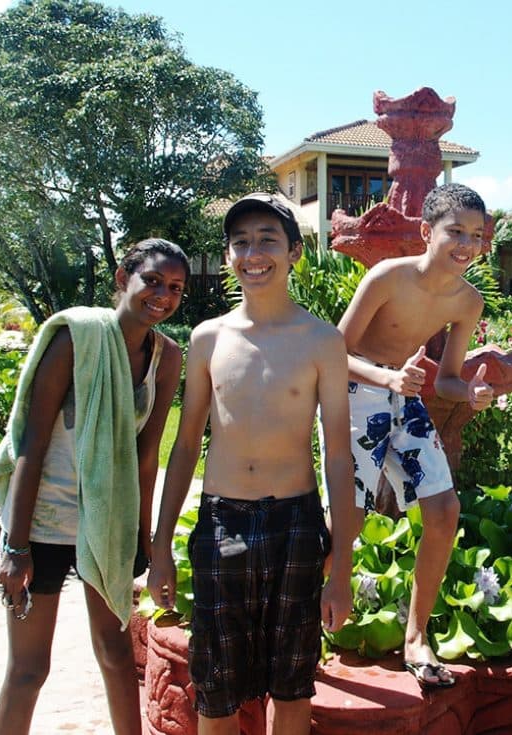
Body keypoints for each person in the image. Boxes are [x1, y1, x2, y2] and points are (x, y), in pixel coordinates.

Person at [147, 194, 359, 735]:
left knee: (292, 681)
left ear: (293, 253)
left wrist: (344, 564)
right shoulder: (208, 339)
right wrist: (161, 546)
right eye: (240, 242)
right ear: (227, 257)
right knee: (215, 685)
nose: (253, 252)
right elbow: (185, 445)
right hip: (222, 522)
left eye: (267, 239)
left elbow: (338, 451)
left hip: (297, 524)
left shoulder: (322, 341)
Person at [0, 238, 189, 734]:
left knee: (117, 656)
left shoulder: (167, 359)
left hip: (107, 525)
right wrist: (15, 546)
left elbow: (147, 458)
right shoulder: (76, 339)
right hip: (41, 524)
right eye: (153, 281)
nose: (162, 294)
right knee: (29, 669)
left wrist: (145, 541)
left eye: (175, 287)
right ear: (123, 279)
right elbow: (31, 444)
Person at [335, 182, 494, 688]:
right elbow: (333, 351)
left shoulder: (469, 301)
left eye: (476, 234)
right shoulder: (387, 277)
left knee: (445, 511)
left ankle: (416, 635)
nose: (466, 244)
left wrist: (471, 392)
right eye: (455, 232)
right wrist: (386, 379)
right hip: (356, 392)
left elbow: (446, 377)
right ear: (427, 232)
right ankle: (302, 625)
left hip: (406, 400)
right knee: (348, 520)